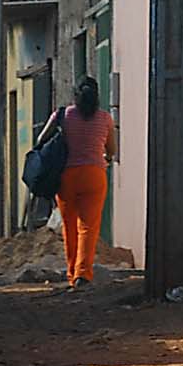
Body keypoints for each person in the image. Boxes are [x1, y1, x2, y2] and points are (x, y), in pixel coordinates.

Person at [34, 78, 119, 288]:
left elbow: (40, 140)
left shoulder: (63, 114)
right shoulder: (105, 119)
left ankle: (71, 274)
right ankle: (83, 273)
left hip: (67, 177)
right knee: (89, 227)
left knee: (69, 226)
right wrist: (104, 158)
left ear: (75, 94)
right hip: (94, 175)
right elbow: (112, 150)